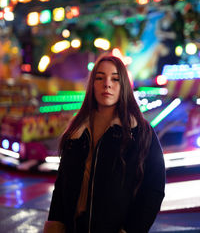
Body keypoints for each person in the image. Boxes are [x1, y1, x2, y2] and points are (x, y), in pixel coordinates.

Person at [44, 54, 165, 233]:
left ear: (123, 85)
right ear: (92, 84)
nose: (107, 84)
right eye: (100, 78)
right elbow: (61, 186)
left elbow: (154, 188)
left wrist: (131, 229)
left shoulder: (139, 131)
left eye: (115, 79)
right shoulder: (77, 130)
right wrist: (55, 225)